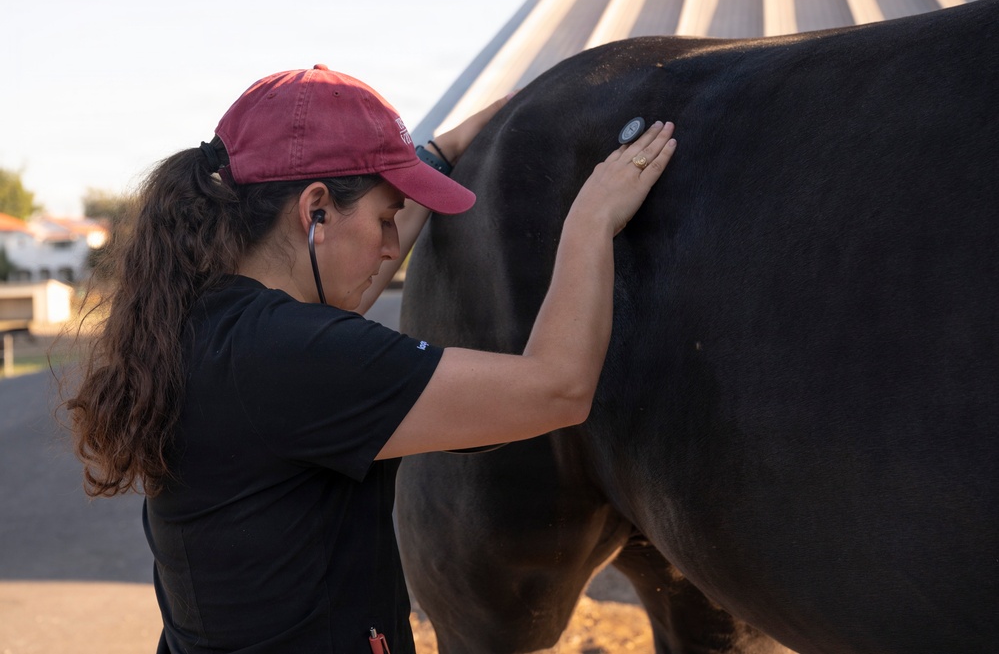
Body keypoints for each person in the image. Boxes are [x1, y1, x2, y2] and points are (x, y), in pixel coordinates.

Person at [66, 64, 677, 653]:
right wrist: (591, 219)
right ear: (315, 210)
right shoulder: (296, 357)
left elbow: (341, 303)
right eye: (386, 219)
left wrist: (435, 156)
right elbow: (557, 388)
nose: (391, 248)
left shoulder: (204, 322)